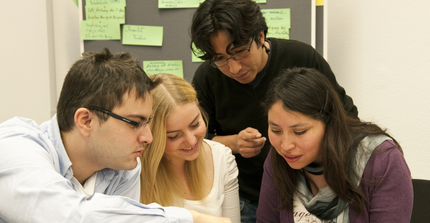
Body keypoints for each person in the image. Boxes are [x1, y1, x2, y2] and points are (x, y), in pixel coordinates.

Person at [0, 48, 231, 223]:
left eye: (148, 122)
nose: (149, 137)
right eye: (136, 123)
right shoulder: (15, 146)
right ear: (85, 121)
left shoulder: (124, 167)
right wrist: (191, 218)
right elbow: (68, 215)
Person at [190, 0, 358, 221]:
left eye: (239, 52)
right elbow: (192, 141)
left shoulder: (302, 58)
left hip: (308, 193)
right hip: (243, 198)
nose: (234, 68)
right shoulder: (207, 77)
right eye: (219, 59)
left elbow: (346, 118)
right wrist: (234, 143)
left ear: (260, 36)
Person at [257, 67, 413, 222]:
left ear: (328, 122)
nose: (285, 146)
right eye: (276, 130)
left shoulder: (382, 160)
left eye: (299, 132)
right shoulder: (278, 159)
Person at [140, 73, 241, 222]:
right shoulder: (133, 171)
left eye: (195, 125)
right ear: (151, 136)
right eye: (174, 136)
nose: (191, 140)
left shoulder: (222, 158)